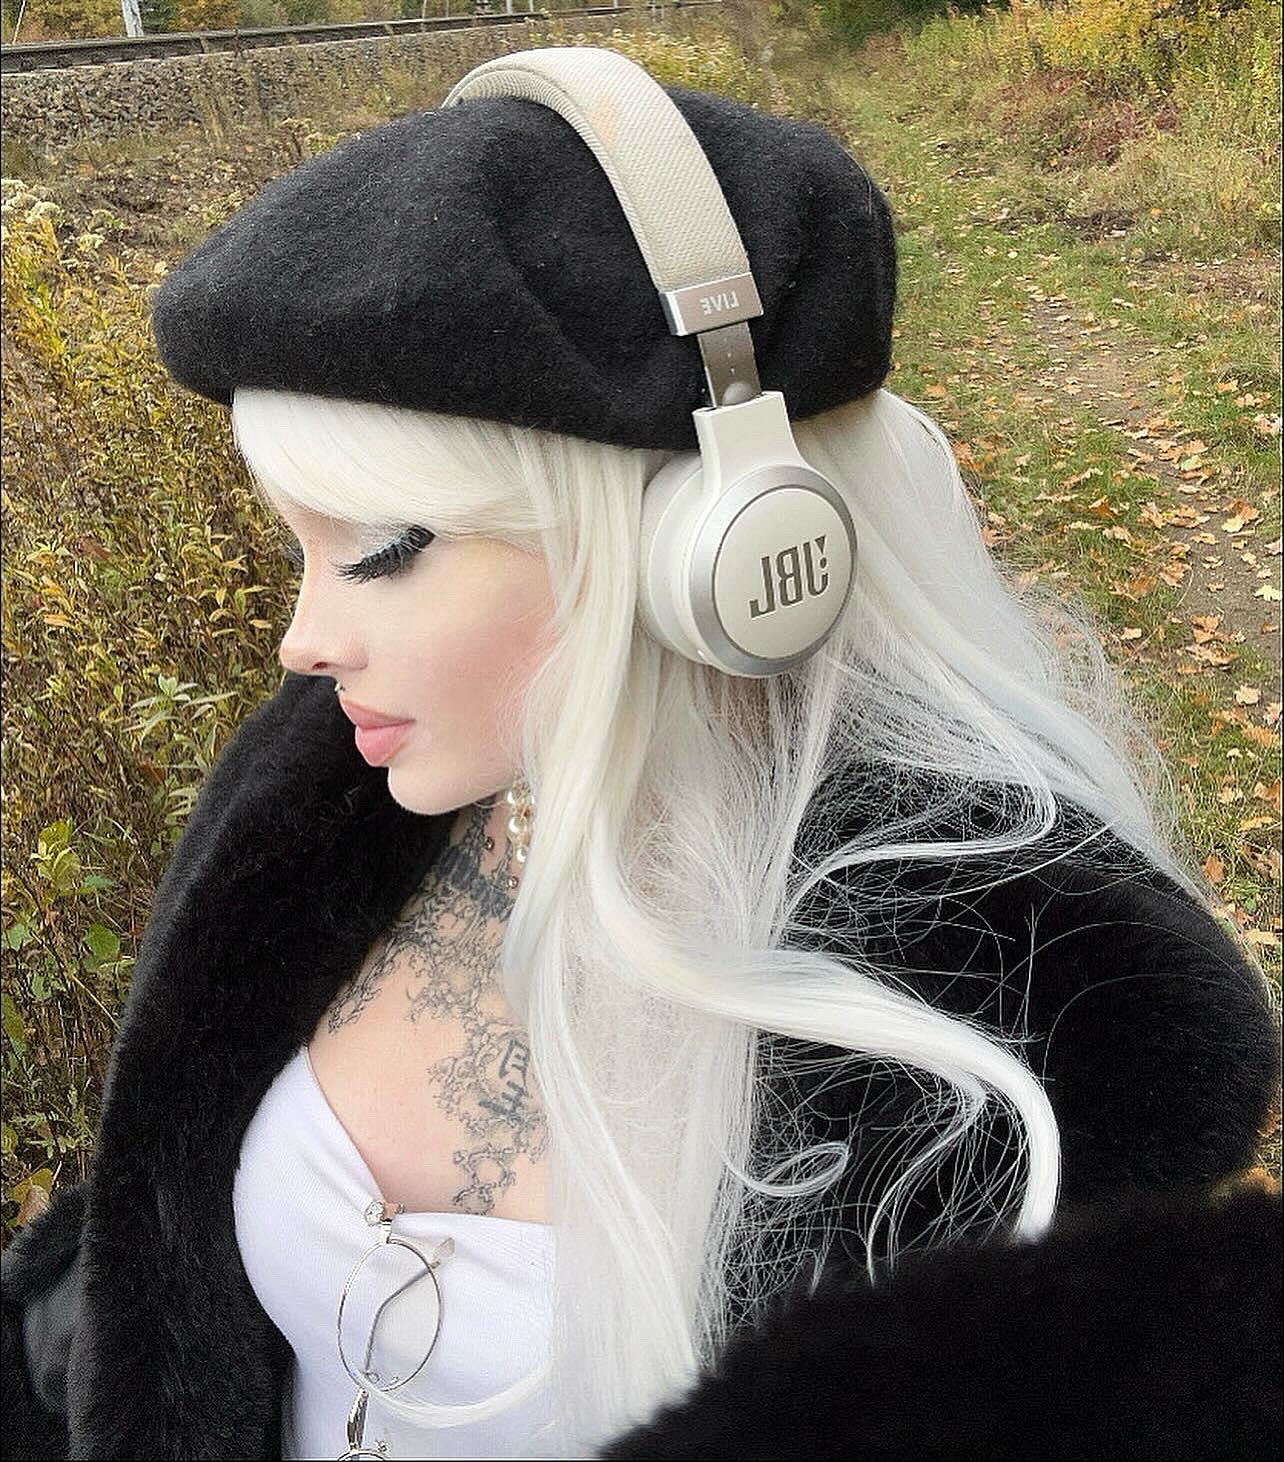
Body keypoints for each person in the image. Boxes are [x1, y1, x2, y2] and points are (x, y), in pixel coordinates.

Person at [3, 45, 1280, 1462]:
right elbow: (146, 1262)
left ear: (722, 551)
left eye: (381, 550)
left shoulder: (1021, 1043)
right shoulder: (312, 802)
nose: (303, 641)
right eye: (295, 549)